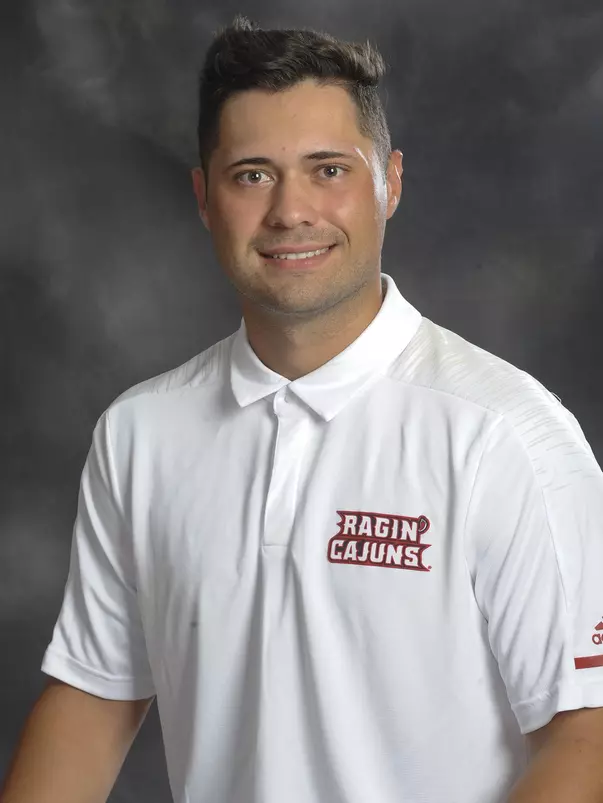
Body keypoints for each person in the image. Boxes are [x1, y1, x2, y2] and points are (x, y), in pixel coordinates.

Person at [2, 13, 603, 803]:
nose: (290, 210)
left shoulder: (505, 437)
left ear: (389, 181)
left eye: (328, 170)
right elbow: (91, 699)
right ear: (203, 197)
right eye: (252, 173)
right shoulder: (139, 435)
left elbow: (586, 739)